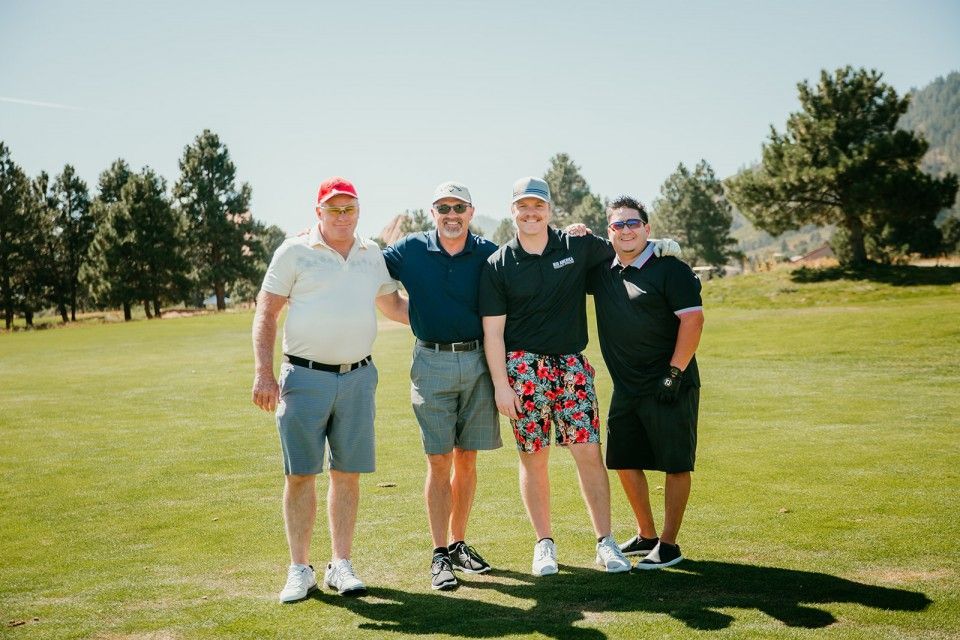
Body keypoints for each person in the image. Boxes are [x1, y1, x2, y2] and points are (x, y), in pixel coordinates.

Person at [478, 177, 669, 577]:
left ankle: (605, 541)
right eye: (523, 207)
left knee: (588, 453)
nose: (531, 213)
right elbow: (493, 332)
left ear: (549, 209)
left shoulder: (576, 245)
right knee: (533, 459)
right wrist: (501, 385)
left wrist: (663, 248)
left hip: (572, 366)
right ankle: (544, 544)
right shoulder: (499, 263)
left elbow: (624, 247)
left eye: (538, 206)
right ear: (513, 210)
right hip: (522, 369)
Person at [251, 176, 409, 602]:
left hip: (358, 377)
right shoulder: (294, 251)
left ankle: (341, 564)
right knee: (301, 474)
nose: (342, 216)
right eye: (334, 209)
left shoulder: (370, 254)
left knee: (347, 474)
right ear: (318, 213)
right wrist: (264, 373)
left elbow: (392, 306)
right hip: (304, 378)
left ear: (359, 212)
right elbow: (266, 314)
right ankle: (299, 569)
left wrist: (448, 316)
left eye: (350, 209)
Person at [381, 181, 502, 591]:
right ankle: (438, 555)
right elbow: (366, 270)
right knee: (438, 459)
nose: (452, 215)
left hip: (478, 361)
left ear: (471, 211)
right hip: (430, 360)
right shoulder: (410, 249)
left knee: (467, 456)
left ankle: (458, 544)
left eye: (459, 207)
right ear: (433, 212)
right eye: (443, 208)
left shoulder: (488, 253)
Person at [587, 196, 704, 569]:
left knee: (675, 463)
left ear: (647, 229)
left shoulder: (672, 270)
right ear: (610, 233)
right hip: (628, 388)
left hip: (670, 381)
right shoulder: (603, 271)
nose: (626, 230)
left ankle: (669, 545)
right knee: (623, 459)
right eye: (618, 225)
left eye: (633, 223)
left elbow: (692, 321)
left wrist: (674, 373)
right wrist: (576, 232)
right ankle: (647, 534)